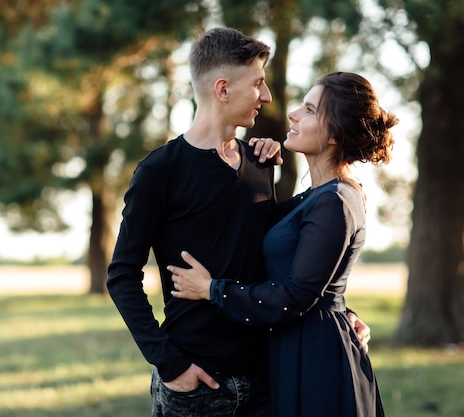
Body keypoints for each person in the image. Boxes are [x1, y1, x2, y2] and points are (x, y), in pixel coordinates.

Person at [169, 71, 397, 417]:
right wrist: (257, 164)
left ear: (334, 133)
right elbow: (268, 234)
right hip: (295, 348)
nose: (292, 114)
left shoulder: (335, 200)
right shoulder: (316, 197)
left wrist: (211, 289)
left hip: (317, 361)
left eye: (308, 110)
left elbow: (295, 296)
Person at [107, 27, 281, 417]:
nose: (266, 97)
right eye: (258, 84)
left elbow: (279, 258)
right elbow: (122, 275)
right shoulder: (159, 171)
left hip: (265, 380)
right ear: (223, 89)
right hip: (195, 386)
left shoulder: (260, 163)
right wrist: (171, 365)